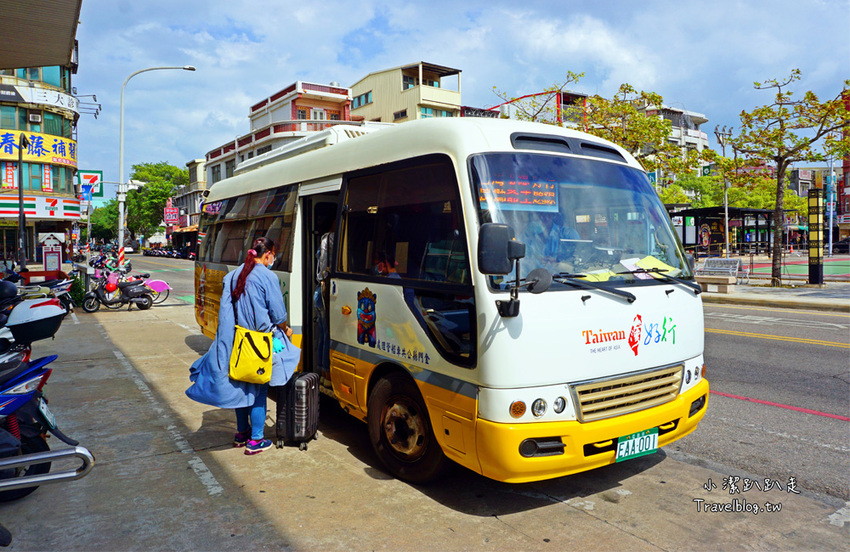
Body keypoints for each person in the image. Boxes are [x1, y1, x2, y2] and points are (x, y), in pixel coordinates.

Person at [186, 237, 294, 455]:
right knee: (258, 391)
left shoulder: (234, 275)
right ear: (269, 254)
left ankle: (241, 433)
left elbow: (226, 313)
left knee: (241, 388)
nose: (274, 259)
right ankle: (256, 440)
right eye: (274, 254)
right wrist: (286, 329)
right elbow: (278, 314)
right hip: (258, 342)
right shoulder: (267, 276)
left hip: (236, 340)